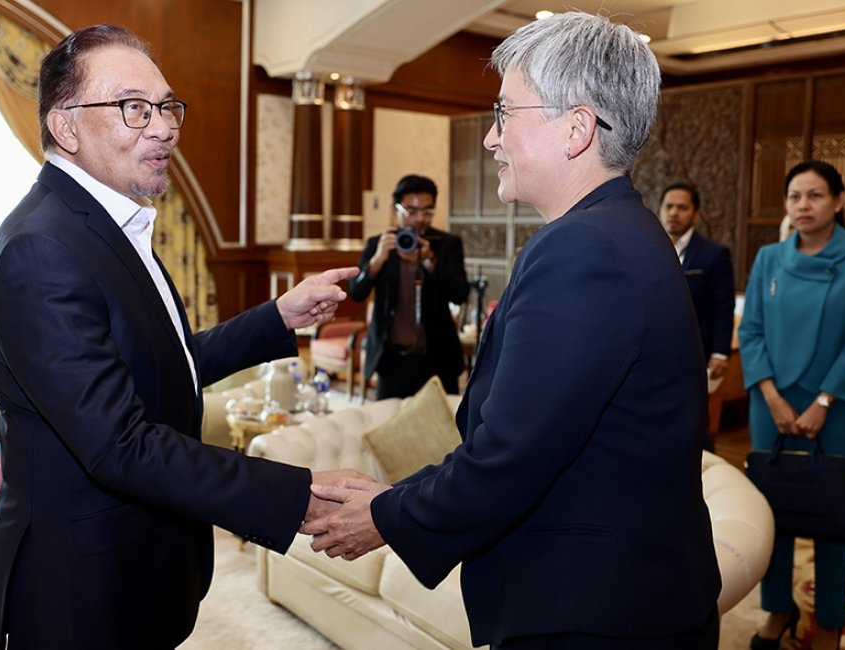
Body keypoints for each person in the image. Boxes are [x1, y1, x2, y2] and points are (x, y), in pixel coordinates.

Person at [305, 12, 721, 649]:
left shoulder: (585, 252)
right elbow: (532, 438)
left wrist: (385, 516)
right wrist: (399, 493)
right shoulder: (618, 233)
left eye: (504, 113)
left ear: (576, 128)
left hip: (594, 615)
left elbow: (510, 459)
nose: (491, 139)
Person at [0, 24, 366, 650]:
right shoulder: (42, 249)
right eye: (134, 108)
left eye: (166, 107)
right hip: (80, 586)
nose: (162, 127)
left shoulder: (111, 224)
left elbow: (161, 366)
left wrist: (277, 317)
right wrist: (296, 496)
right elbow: (120, 445)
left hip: (139, 559)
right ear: (66, 126)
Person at [737, 160, 845, 650]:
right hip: (771, 402)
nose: (804, 205)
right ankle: (778, 608)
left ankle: (828, 620)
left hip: (836, 404)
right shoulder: (768, 259)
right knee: (772, 510)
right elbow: (752, 331)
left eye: (816, 195)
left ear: (839, 201)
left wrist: (823, 400)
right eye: (795, 196)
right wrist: (772, 396)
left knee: (831, 512)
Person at [348, 174, 469, 398]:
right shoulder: (379, 244)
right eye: (411, 212)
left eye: (427, 211)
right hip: (391, 360)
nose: (420, 218)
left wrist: (430, 260)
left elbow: (460, 294)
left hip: (437, 359)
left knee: (440, 429)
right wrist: (376, 262)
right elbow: (355, 292)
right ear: (395, 211)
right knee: (389, 427)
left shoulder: (446, 245)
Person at [660, 182, 735, 449]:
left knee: (695, 426)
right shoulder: (651, 247)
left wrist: (720, 353)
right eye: (669, 206)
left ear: (695, 214)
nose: (674, 213)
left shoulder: (713, 255)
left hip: (697, 353)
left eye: (682, 207)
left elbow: (723, 305)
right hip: (658, 354)